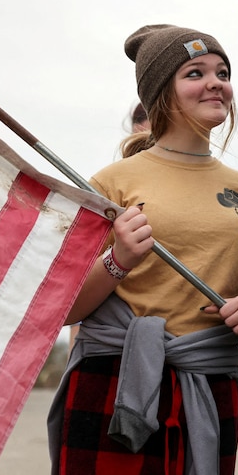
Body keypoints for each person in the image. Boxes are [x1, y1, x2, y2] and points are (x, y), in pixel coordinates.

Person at [47, 24, 238, 475]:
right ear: (161, 93)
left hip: (212, 387)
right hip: (113, 383)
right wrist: (119, 261)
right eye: (195, 72)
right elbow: (64, 307)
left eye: (222, 71)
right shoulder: (111, 183)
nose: (216, 82)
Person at [68, 101, 151, 353]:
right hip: (109, 353)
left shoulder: (232, 191)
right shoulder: (109, 185)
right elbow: (74, 293)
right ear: (138, 129)